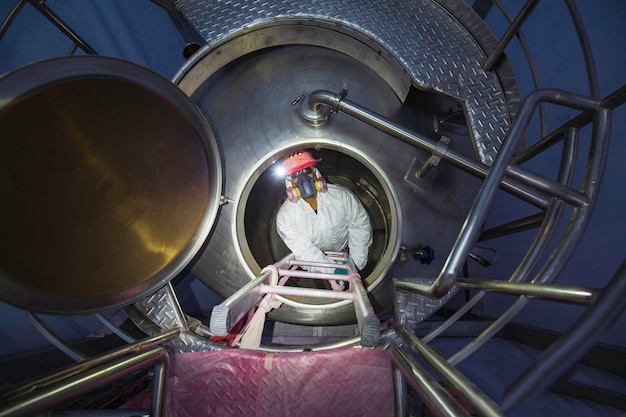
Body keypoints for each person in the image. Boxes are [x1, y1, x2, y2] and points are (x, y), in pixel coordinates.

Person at [275, 150, 373, 284]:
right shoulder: (286, 217)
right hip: (315, 263)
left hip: (343, 251)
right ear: (289, 182)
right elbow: (305, 251)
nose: (304, 179)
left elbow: (360, 227)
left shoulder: (342, 197)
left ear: (315, 173)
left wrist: (355, 264)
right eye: (296, 174)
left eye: (307, 170)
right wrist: (331, 270)